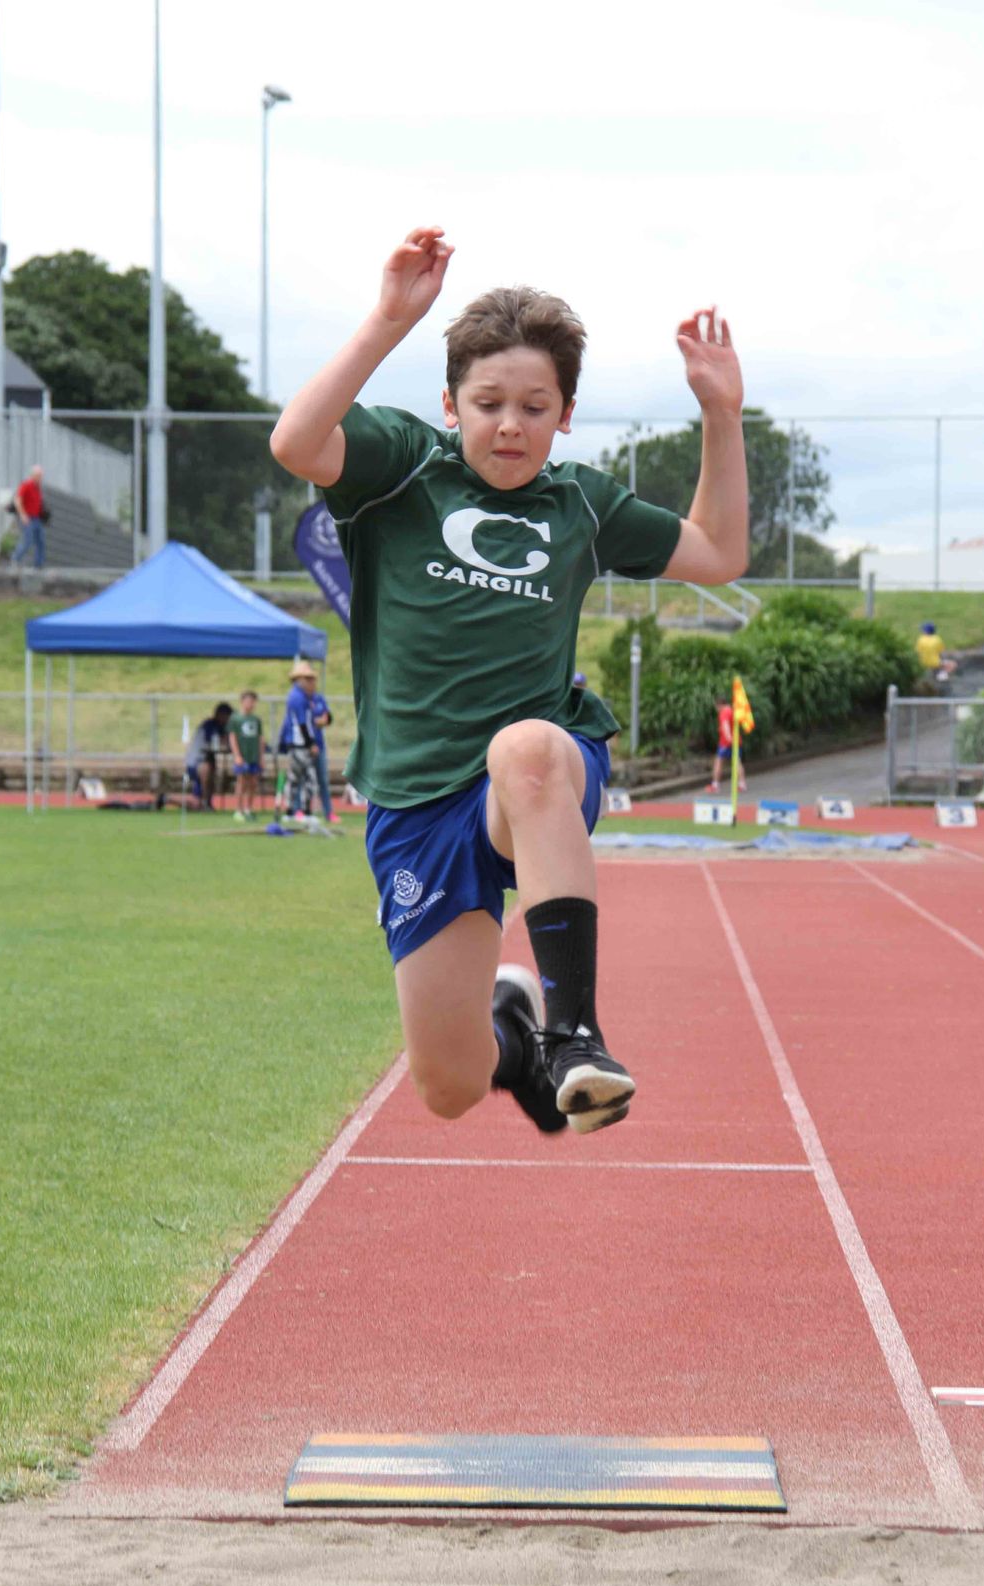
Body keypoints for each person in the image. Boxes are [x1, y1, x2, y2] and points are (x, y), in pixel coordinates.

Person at [270, 225, 748, 1135]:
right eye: (487, 402)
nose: (509, 424)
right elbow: (296, 441)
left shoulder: (581, 505)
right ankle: (517, 1040)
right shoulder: (402, 466)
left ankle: (574, 1033)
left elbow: (719, 552)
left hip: (533, 782)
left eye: (535, 406)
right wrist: (388, 320)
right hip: (417, 801)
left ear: (564, 415)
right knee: (449, 1086)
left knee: (525, 749)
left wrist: (721, 415)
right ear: (451, 405)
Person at [279, 661, 336, 824]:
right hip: (300, 745)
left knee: (302, 778)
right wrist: (310, 744)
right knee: (305, 778)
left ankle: (297, 811)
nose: (311, 682)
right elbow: (302, 724)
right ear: (299, 679)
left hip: (303, 744)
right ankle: (300, 811)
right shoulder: (297, 697)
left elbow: (324, 718)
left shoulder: (308, 697)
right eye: (307, 679)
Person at [185, 703, 232, 810]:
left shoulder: (221, 727)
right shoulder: (209, 725)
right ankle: (166, 798)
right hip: (195, 763)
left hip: (205, 760)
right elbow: (216, 743)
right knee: (207, 769)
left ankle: (206, 802)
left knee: (210, 769)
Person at [229, 690, 267, 820]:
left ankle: (248, 808)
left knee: (253, 783)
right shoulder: (236, 719)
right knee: (242, 782)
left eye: (253, 701)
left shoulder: (256, 720)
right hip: (242, 756)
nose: (250, 704)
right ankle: (238, 810)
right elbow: (232, 737)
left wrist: (261, 757)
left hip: (254, 756)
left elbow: (261, 738)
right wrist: (237, 755)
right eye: (248, 701)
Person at [10, 465, 48, 569]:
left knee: (41, 542)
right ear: (33, 475)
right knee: (27, 541)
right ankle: (15, 558)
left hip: (37, 518)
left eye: (41, 476)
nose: (40, 478)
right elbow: (17, 500)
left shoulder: (38, 488)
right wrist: (22, 515)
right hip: (27, 518)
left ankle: (38, 565)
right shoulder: (26, 485)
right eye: (39, 476)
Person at [707, 693, 746, 794]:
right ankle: (742, 784)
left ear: (719, 705)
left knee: (718, 762)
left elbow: (725, 726)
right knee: (737, 762)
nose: (716, 709)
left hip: (726, 742)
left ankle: (715, 785)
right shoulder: (732, 710)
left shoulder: (723, 713)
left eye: (716, 706)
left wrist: (728, 738)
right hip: (736, 740)